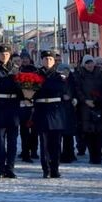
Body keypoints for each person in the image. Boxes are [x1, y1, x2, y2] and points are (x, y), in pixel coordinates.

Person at [0, 44, 22, 178]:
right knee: (0, 142)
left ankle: (11, 167)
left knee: (13, 141)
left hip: (13, 107)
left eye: (7, 54)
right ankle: (1, 169)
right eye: (2, 54)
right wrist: (11, 79)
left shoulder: (15, 68)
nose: (5, 56)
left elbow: (20, 89)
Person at [34, 50, 66, 178]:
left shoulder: (59, 76)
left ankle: (55, 168)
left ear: (54, 61)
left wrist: (45, 86)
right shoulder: (36, 75)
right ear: (41, 60)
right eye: (46, 59)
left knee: (56, 143)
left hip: (56, 111)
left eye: (50, 59)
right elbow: (33, 91)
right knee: (44, 143)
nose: (48, 61)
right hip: (42, 109)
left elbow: (60, 89)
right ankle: (46, 169)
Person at [73, 55, 102, 164]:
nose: (89, 65)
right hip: (85, 106)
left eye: (91, 62)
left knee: (98, 132)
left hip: (98, 106)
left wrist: (98, 100)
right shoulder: (80, 74)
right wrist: (85, 100)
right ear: (83, 64)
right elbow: (77, 90)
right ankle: (93, 156)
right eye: (87, 63)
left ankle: (98, 156)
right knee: (89, 133)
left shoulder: (99, 74)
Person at [18, 52, 39, 162]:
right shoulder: (18, 70)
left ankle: (34, 150)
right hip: (22, 105)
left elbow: (39, 86)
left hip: (34, 105)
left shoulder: (34, 70)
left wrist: (32, 97)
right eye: (23, 58)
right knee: (24, 130)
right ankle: (25, 151)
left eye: (26, 58)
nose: (25, 60)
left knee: (34, 130)